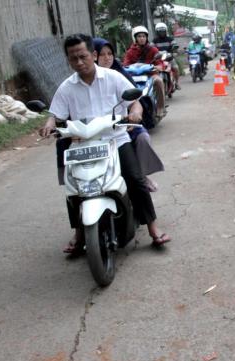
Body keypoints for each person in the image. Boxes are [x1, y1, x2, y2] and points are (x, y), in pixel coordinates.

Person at [39, 33, 171, 253]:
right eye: (73, 58)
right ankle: (80, 234)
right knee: (74, 188)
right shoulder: (66, 87)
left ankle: (153, 228)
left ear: (93, 55)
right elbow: (56, 114)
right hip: (82, 144)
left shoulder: (113, 78)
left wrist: (135, 113)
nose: (79, 62)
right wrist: (49, 123)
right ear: (68, 60)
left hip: (115, 139)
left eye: (83, 56)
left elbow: (134, 103)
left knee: (135, 179)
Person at [93, 37, 164, 192]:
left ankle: (141, 175)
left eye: (109, 54)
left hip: (120, 127)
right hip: (94, 133)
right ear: (93, 56)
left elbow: (135, 102)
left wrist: (133, 116)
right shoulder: (79, 81)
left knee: (142, 137)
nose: (106, 58)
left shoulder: (119, 74)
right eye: (102, 54)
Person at [123, 26, 166, 121]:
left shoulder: (153, 50)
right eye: (139, 36)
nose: (142, 38)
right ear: (135, 38)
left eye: (143, 36)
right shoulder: (130, 52)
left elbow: (160, 63)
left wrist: (157, 67)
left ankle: (160, 108)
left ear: (146, 37)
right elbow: (125, 64)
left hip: (150, 74)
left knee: (159, 81)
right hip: (135, 76)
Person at [152, 22, 181, 90]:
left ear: (166, 31)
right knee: (153, 70)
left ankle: (176, 83)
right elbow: (151, 47)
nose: (161, 33)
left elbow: (174, 45)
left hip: (169, 58)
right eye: (160, 31)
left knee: (176, 68)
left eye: (163, 31)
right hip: (159, 59)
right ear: (157, 32)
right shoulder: (155, 40)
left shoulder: (170, 39)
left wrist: (174, 51)